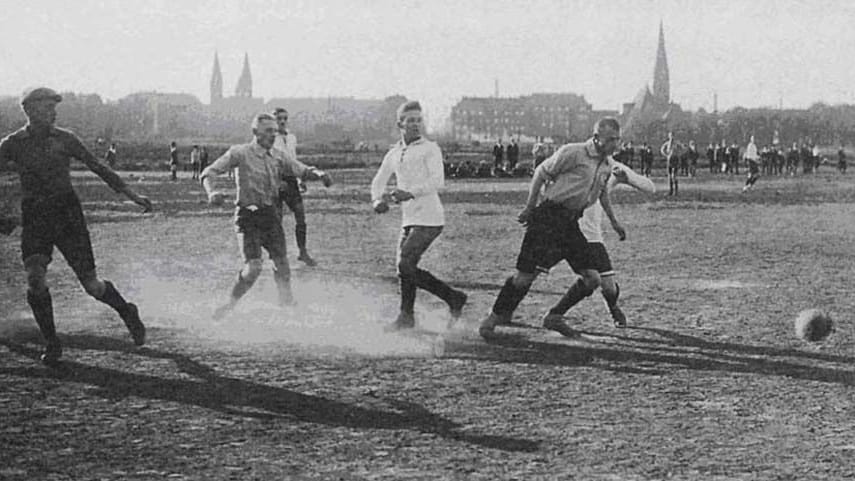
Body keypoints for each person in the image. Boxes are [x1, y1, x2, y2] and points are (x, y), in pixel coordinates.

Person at [0, 87, 152, 365]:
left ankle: (127, 311)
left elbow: (99, 167)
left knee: (92, 286)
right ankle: (52, 342)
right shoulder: (12, 143)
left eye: (54, 107)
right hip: (35, 216)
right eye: (47, 107)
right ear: (29, 110)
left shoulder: (65, 139)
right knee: (35, 278)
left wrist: (133, 196)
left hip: (67, 215)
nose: (53, 112)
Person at [478, 117, 624, 338]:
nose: (616, 144)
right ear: (597, 138)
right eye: (611, 139)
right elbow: (540, 173)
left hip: (571, 223)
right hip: (547, 219)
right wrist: (529, 207)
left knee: (592, 278)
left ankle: (554, 316)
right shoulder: (573, 152)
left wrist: (614, 222)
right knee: (525, 277)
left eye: (618, 139)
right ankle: (493, 317)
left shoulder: (606, 164)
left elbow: (602, 192)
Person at [201, 113, 330, 320]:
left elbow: (301, 169)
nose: (273, 135)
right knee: (253, 268)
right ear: (255, 132)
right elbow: (208, 172)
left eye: (275, 131)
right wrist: (211, 192)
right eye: (268, 131)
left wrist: (319, 174)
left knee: (283, 265)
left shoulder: (278, 156)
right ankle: (229, 304)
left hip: (270, 217)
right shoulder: (240, 153)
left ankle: (286, 308)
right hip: (247, 216)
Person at [370, 100, 467, 331]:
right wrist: (376, 200)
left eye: (418, 120)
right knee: (403, 268)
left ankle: (452, 297)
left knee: (405, 264)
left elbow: (437, 182)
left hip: (431, 218)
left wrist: (409, 193)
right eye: (410, 120)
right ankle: (407, 317)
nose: (415, 124)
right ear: (399, 124)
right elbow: (379, 179)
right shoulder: (394, 152)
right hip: (410, 219)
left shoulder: (430, 148)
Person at [576, 161, 655, 327]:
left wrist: (622, 179)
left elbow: (650, 187)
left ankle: (613, 306)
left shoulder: (606, 172)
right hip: (570, 233)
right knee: (530, 273)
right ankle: (554, 314)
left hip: (593, 236)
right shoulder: (574, 169)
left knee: (609, 288)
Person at [272, 107, 332, 267]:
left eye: (285, 118)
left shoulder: (291, 137)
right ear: (274, 121)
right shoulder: (270, 138)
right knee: (276, 220)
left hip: (291, 179)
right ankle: (278, 255)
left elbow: (293, 160)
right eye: (279, 119)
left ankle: (302, 252)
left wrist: (300, 179)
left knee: (300, 215)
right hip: (275, 181)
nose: (282, 121)